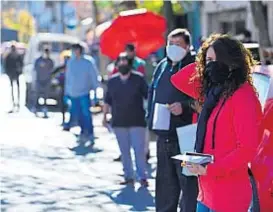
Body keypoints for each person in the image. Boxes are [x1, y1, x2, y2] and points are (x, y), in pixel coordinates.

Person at [170, 34, 263, 212]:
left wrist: (211, 169)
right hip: (206, 192)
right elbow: (179, 79)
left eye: (215, 60)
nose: (210, 66)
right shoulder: (214, 93)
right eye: (207, 61)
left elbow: (248, 149)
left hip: (229, 195)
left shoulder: (243, 96)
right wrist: (204, 60)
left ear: (231, 62)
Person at [147, 28, 198, 212]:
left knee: (188, 185)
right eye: (171, 44)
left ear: (188, 46)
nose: (173, 48)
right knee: (164, 186)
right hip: (163, 136)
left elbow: (203, 99)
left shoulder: (195, 67)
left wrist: (183, 106)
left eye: (178, 44)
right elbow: (152, 91)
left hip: (187, 136)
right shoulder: (162, 66)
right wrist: (149, 119)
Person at [103, 52, 149, 187]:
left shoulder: (139, 79)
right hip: (119, 121)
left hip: (137, 121)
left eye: (125, 62)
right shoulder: (112, 81)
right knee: (124, 151)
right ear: (117, 64)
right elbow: (107, 101)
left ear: (130, 64)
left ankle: (142, 177)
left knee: (139, 151)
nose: (123, 64)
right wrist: (105, 117)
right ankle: (128, 176)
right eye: (120, 62)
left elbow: (148, 97)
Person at [65, 44, 99, 144]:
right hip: (73, 93)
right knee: (78, 113)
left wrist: (96, 90)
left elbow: (93, 76)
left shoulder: (88, 62)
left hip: (84, 92)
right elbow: (68, 78)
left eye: (76, 50)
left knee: (86, 113)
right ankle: (83, 130)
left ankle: (89, 131)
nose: (74, 52)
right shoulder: (71, 62)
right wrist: (67, 92)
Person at [33, 47, 54, 118]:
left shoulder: (50, 61)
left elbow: (52, 70)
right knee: (37, 95)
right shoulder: (38, 60)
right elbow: (35, 69)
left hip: (47, 80)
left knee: (45, 96)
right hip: (39, 80)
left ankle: (44, 109)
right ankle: (35, 108)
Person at [4, 43, 23, 112]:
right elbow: (6, 65)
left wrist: (20, 72)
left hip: (16, 73)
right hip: (12, 74)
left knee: (17, 88)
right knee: (13, 88)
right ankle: (13, 103)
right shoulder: (9, 56)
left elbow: (21, 64)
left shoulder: (17, 56)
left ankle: (17, 103)